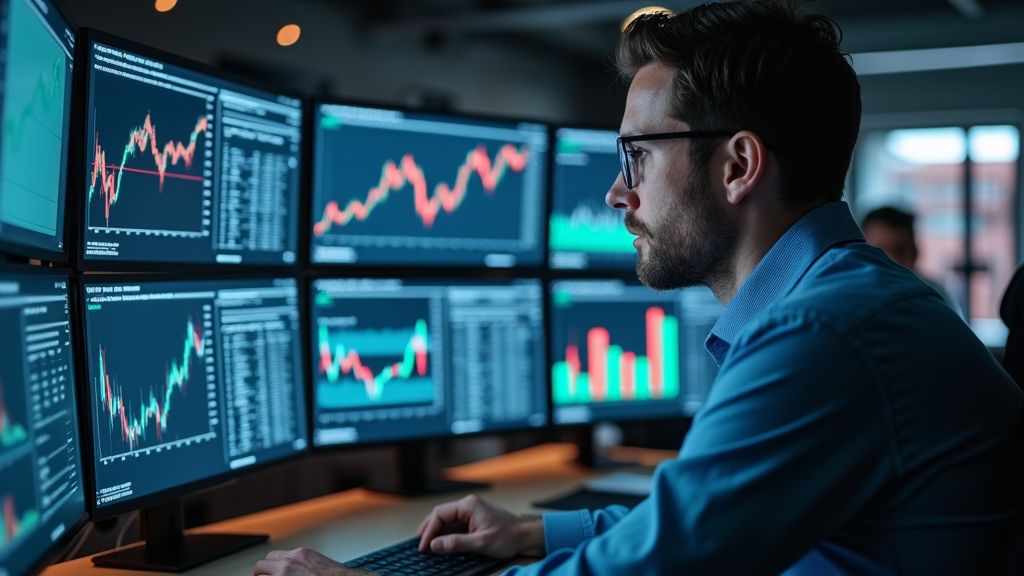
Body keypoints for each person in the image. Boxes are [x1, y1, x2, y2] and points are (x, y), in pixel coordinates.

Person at [253, 1, 1022, 574]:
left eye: (637, 159)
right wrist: (538, 533)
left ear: (737, 166)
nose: (620, 196)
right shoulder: (851, 303)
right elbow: (697, 522)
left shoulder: (825, 336)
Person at [861, 205, 964, 317]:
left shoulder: (938, 298)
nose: (892, 260)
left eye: (900, 250)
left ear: (915, 252)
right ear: (860, 254)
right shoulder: (853, 300)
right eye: (880, 251)